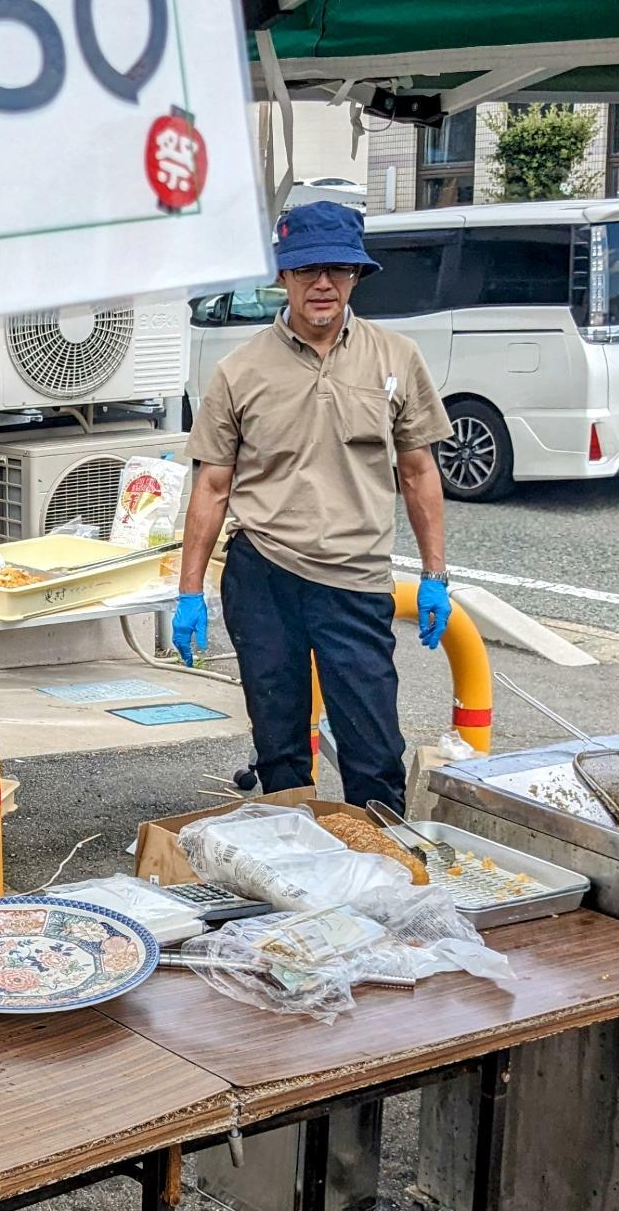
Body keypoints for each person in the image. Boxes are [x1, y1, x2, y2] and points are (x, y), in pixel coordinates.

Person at [174, 197, 454, 809]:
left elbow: (418, 471)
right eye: (305, 270)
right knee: (280, 747)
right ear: (283, 277)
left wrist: (435, 574)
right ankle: (295, 875)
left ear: (356, 275)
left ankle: (380, 876)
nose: (321, 284)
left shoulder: (396, 357)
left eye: (337, 269)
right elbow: (213, 487)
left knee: (374, 749)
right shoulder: (238, 370)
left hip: (355, 580)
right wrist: (189, 590)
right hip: (263, 574)